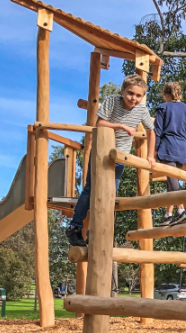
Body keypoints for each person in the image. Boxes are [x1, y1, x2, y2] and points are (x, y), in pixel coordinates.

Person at [66, 75, 155, 246]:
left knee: (110, 194)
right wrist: (121, 126)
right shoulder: (112, 101)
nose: (134, 99)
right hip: (101, 151)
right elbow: (100, 124)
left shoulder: (141, 110)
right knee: (91, 188)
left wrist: (150, 155)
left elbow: (152, 132)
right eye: (130, 93)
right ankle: (75, 226)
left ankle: (98, 231)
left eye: (138, 96)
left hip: (120, 156)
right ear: (122, 91)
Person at [152, 81, 186, 226]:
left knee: (172, 181)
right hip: (182, 149)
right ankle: (168, 215)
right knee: (172, 181)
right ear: (180, 94)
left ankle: (181, 210)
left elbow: (158, 131)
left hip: (167, 146)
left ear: (166, 95)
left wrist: (154, 152)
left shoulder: (163, 108)